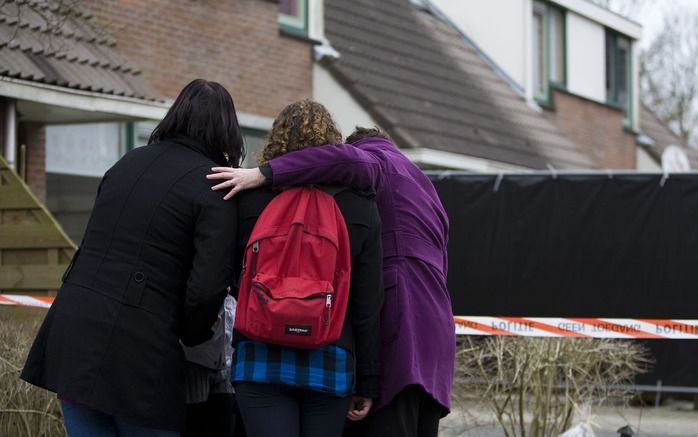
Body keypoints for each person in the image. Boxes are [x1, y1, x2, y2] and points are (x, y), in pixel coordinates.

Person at [21, 79, 244, 436]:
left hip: (72, 338)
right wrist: (190, 333)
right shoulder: (214, 187)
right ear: (227, 131)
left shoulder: (127, 163)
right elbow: (206, 289)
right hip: (140, 358)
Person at [208, 126, 455, 437]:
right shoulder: (423, 183)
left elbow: (342, 162)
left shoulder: (375, 160)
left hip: (399, 324)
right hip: (437, 335)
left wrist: (263, 174)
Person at [228, 100, 383, 437]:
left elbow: (230, 276)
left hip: (259, 356)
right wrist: (369, 380)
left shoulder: (249, 199)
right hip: (331, 357)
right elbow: (368, 302)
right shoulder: (359, 206)